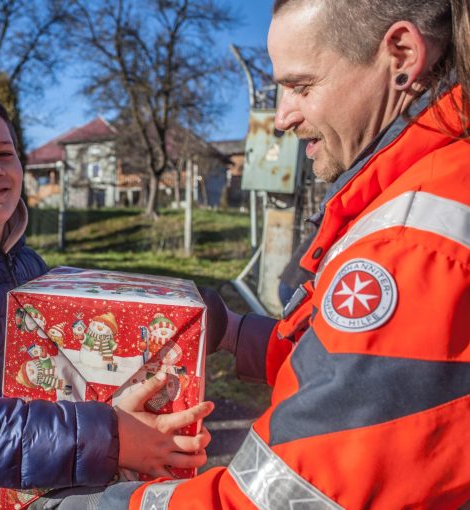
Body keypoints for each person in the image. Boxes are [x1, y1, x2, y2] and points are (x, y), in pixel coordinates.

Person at [35, 0, 470, 508]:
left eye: (302, 86)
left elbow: (283, 495)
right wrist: (233, 333)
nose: (282, 116)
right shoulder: (431, 190)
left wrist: (84, 503)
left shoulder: (409, 246)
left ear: (401, 55)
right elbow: (356, 374)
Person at [0, 88, 215, 510]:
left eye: (4, 154)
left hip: (20, 492)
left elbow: (65, 375)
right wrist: (113, 435)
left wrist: (137, 410)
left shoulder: (26, 264)